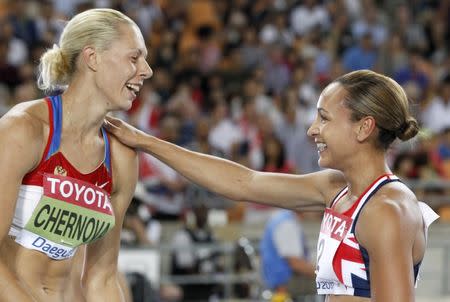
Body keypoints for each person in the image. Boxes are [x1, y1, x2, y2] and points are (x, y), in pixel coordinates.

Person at [104, 69, 439, 302]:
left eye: (324, 118)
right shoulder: (335, 188)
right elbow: (244, 182)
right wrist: (147, 142)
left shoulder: (386, 210)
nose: (312, 130)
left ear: (364, 128)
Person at [0, 8, 152, 302]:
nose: (147, 70)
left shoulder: (121, 155)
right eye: (134, 58)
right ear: (92, 57)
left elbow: (102, 278)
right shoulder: (23, 130)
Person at [260, 209, 316, 302]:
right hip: (284, 283)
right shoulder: (287, 224)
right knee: (332, 285)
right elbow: (296, 263)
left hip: (278, 280)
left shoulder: (280, 217)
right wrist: (321, 275)